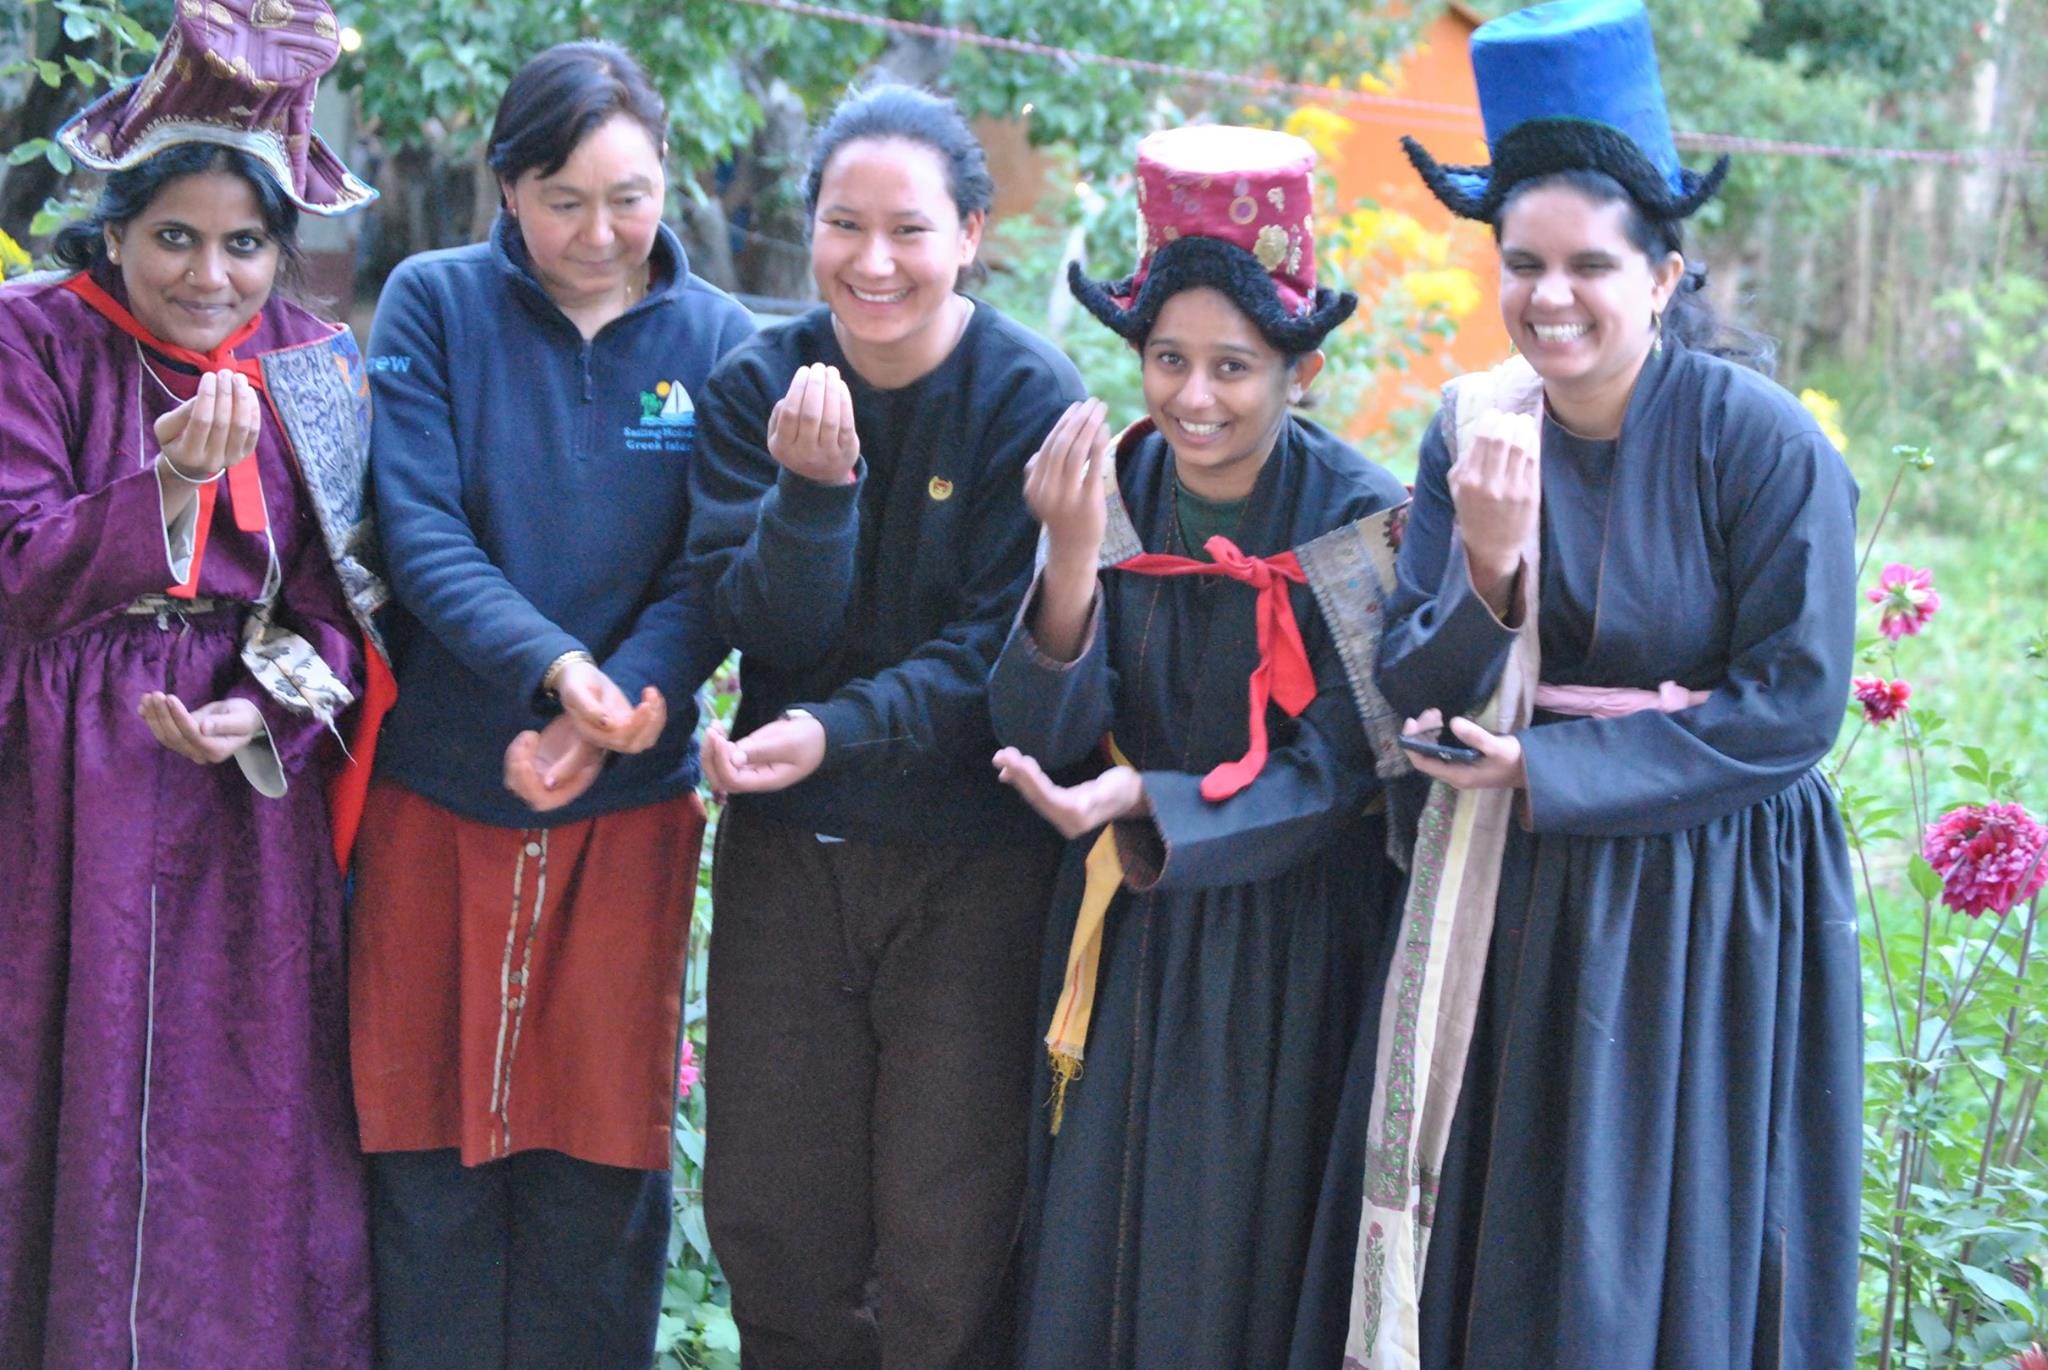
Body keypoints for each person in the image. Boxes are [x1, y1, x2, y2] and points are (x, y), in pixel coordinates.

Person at [1347, 1, 1862, 1365]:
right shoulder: (1470, 426)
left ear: (1666, 274)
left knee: (1655, 1214)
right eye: (1522, 263)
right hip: (1508, 885)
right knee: (1511, 1203)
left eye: (1588, 264)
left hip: (1704, 889)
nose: (1550, 297)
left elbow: (1796, 705)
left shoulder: (1766, 446)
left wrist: (1552, 770)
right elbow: (1411, 677)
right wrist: (1498, 570)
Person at [348, 41, 753, 1368]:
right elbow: (417, 526)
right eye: (563, 198)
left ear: (666, 183)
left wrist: (617, 700)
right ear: (506, 188)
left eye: (629, 196)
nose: (600, 232)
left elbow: (714, 562)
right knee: (420, 1146)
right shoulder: (433, 304)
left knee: (599, 1158)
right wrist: (554, 670)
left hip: (626, 803)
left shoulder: (716, 344)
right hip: (438, 785)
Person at [988, 125, 1414, 1369]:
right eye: (1167, 357)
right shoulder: (1110, 486)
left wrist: (1152, 797)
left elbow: (1343, 771)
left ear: (1304, 368)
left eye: (1234, 363)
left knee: (1238, 1249)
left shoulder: (1360, 524)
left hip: (1287, 946)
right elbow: (1040, 732)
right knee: (1091, 1231)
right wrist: (1068, 561)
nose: (1194, 396)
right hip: (1122, 938)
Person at [0, 2, 382, 1362]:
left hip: (241, 817)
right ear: (111, 229)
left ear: (284, 250)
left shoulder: (316, 371)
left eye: (243, 243)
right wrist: (162, 484)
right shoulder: (30, 341)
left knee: (237, 1124)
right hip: (61, 804)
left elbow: (344, 619)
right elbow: (12, 565)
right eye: (174, 236)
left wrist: (264, 704)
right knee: (67, 1093)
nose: (208, 274)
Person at [687, 84, 1085, 1368]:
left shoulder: (1026, 392)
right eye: (842, 225)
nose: (873, 261)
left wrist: (833, 731)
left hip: (970, 860)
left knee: (944, 1236)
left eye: (908, 229)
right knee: (776, 1222)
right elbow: (764, 625)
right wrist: (810, 496)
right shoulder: (760, 376)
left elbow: (996, 655)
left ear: (970, 231)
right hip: (789, 858)